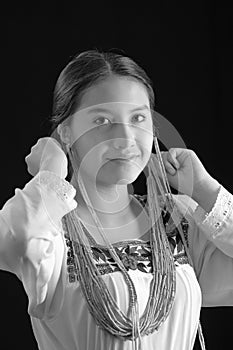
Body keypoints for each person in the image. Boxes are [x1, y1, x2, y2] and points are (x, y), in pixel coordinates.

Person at [1, 49, 233, 350]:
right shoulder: (52, 230)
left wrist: (204, 188)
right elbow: (15, 241)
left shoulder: (177, 218)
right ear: (67, 133)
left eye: (138, 118)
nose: (125, 136)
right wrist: (51, 174)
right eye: (101, 121)